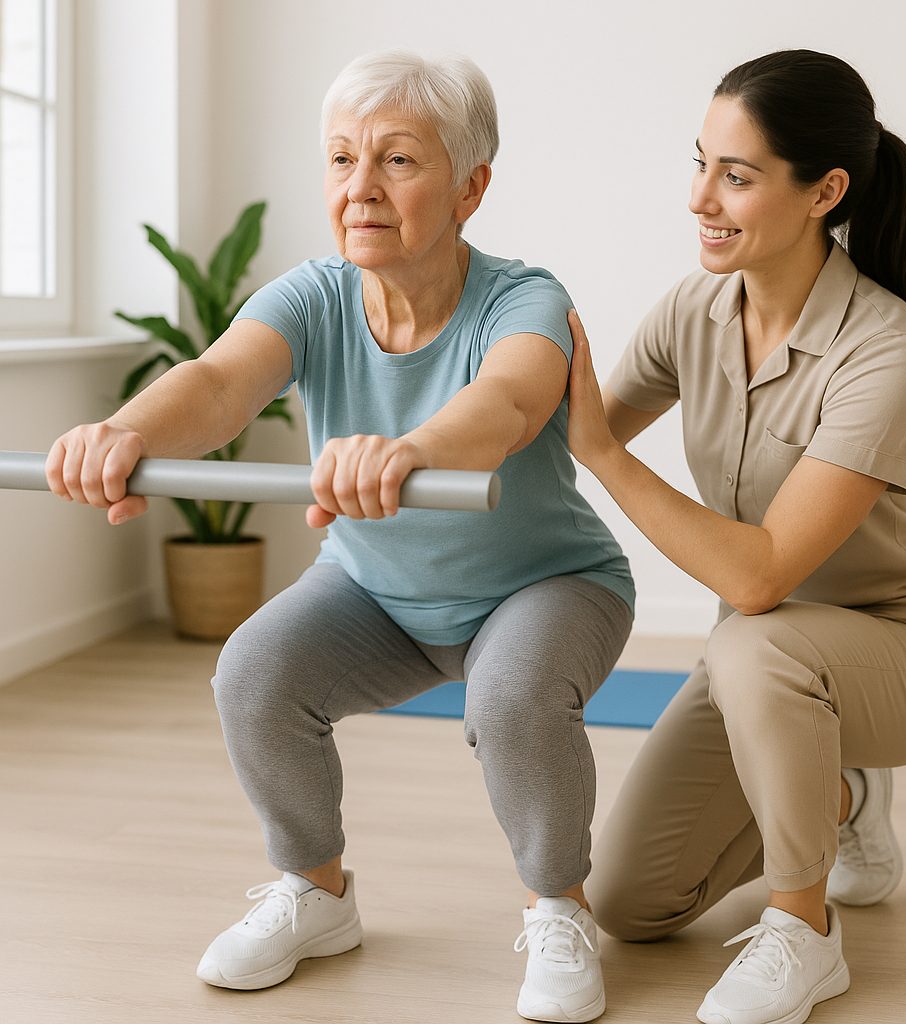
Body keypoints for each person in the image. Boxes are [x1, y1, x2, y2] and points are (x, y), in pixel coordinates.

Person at [46, 50, 633, 1023]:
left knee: (513, 697)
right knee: (255, 673)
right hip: (377, 590)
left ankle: (559, 906)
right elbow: (218, 382)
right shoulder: (314, 296)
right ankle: (316, 893)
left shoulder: (522, 299)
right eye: (340, 159)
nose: (359, 187)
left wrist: (409, 451)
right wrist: (127, 432)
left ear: (470, 188)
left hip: (546, 583)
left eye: (397, 160)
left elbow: (510, 401)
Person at [564, 49, 906, 1024]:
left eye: (737, 176)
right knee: (630, 901)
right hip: (760, 667)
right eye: (699, 164)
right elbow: (557, 430)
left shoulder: (883, 348)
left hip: (903, 655)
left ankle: (804, 929)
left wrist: (603, 452)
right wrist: (410, 445)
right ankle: (836, 801)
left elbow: (756, 578)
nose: (701, 198)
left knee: (751, 631)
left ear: (822, 192)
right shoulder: (692, 311)